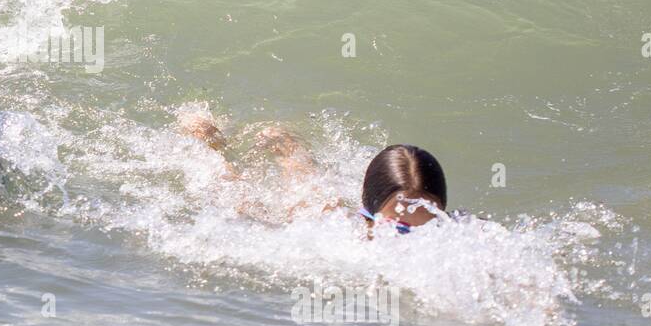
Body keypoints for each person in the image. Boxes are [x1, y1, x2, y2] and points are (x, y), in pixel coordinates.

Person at [177, 112, 448, 233]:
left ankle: (283, 144)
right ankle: (209, 142)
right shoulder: (342, 235)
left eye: (430, 228)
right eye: (399, 229)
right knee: (241, 200)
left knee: (307, 185)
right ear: (370, 216)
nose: (415, 237)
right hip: (310, 222)